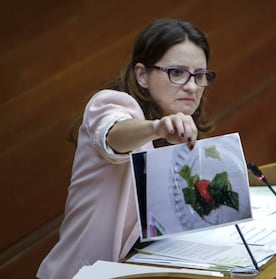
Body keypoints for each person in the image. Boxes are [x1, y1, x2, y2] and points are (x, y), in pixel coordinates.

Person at [37, 18, 216, 279]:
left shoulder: (182, 133)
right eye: (177, 72)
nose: (191, 86)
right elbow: (114, 136)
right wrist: (156, 128)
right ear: (142, 75)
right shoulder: (111, 106)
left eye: (199, 75)